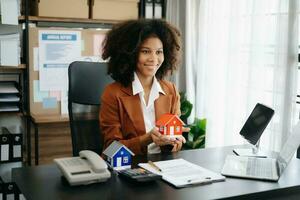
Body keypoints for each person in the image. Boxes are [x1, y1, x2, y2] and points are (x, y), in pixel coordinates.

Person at [99, 19, 189, 155]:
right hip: (129, 167)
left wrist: (172, 142)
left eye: (159, 52)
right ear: (131, 54)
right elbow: (111, 148)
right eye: (146, 51)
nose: (154, 59)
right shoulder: (113, 93)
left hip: (163, 166)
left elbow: (175, 144)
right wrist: (147, 139)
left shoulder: (171, 90)